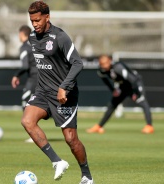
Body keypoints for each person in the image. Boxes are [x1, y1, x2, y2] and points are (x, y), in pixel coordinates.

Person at [21, 1, 94, 184]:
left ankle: (86, 176)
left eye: (38, 20)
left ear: (47, 17)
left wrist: (64, 86)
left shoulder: (60, 37)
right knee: (27, 121)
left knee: (71, 139)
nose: (35, 24)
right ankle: (57, 161)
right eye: (32, 21)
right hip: (43, 92)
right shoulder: (32, 37)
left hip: (64, 95)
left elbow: (78, 63)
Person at [86, 54, 154, 134]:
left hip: (134, 84)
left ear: (110, 61)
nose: (104, 66)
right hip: (123, 86)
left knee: (142, 102)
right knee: (112, 105)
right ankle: (99, 126)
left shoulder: (118, 68)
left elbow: (132, 79)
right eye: (102, 64)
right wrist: (113, 90)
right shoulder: (101, 71)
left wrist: (135, 92)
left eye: (105, 63)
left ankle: (149, 126)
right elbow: (106, 81)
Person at [11, 25, 38, 143]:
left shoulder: (24, 47)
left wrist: (16, 75)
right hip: (44, 76)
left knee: (26, 100)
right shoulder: (36, 44)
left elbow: (25, 66)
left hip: (34, 78)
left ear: (22, 34)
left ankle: (33, 132)